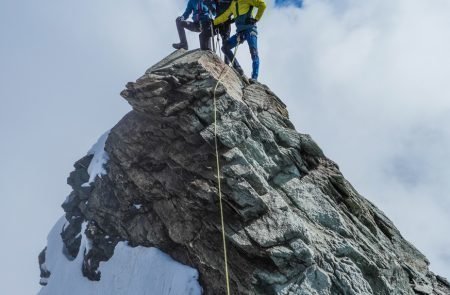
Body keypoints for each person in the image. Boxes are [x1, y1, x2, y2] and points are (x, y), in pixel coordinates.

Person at [213, 0, 266, 81]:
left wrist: (256, 19)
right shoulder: (233, 4)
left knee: (254, 52)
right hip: (240, 33)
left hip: (250, 30)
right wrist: (213, 22)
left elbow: (262, 5)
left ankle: (254, 78)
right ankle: (238, 68)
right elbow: (225, 16)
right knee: (225, 47)